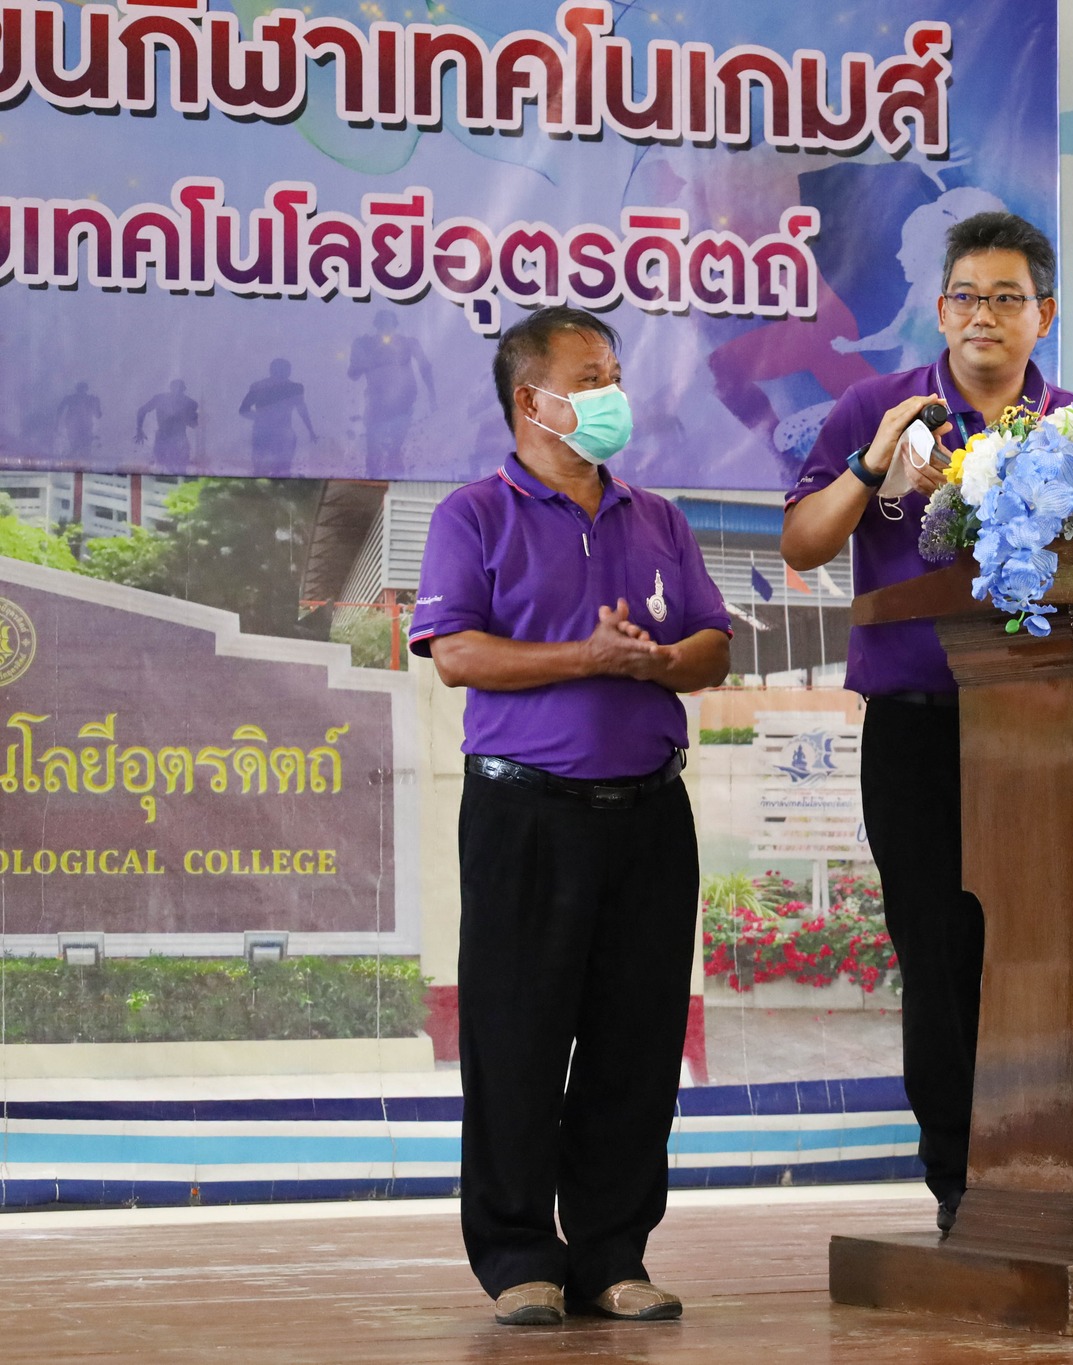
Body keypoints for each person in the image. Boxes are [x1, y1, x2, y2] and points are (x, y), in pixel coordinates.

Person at [408, 306, 732, 1326]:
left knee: (637, 1042)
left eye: (614, 375)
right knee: (516, 1037)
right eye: (589, 378)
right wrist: (586, 658)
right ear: (530, 400)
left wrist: (667, 662)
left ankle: (611, 1254)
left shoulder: (656, 517)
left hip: (647, 815)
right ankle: (517, 1258)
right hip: (524, 818)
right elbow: (456, 653)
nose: (610, 396)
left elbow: (715, 639)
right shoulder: (472, 514)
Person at [780, 211, 1073, 1237]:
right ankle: (960, 1180)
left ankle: (1050, 1163)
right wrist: (870, 468)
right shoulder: (878, 406)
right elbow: (801, 545)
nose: (982, 316)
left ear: (1043, 314)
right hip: (916, 730)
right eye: (964, 296)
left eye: (1006, 298)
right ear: (938, 309)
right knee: (941, 952)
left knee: (1043, 950)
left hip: (1048, 732)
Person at [350, 308, 436, 477]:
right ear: (376, 325)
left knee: (395, 450)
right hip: (376, 402)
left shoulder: (408, 343)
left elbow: (425, 367)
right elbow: (353, 373)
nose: (386, 327)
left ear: (395, 324)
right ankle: (373, 478)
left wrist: (432, 396)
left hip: (403, 403)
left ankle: (396, 478)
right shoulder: (364, 344)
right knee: (373, 449)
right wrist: (370, 358)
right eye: (382, 323)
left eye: (389, 323)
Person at [239, 359, 317, 475]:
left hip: (272, 432)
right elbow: (302, 410)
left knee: (269, 469)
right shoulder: (293, 388)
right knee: (276, 469)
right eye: (281, 370)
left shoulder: (260, 387)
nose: (283, 373)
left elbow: (302, 410)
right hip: (275, 432)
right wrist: (311, 431)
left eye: (284, 370)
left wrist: (261, 418)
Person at [134, 380, 199, 465]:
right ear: (171, 388)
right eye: (175, 388)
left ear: (183, 390)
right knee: (161, 466)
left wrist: (188, 417)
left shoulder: (190, 403)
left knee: (179, 467)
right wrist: (139, 429)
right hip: (164, 437)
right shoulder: (160, 399)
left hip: (179, 439)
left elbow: (194, 425)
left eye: (179, 390)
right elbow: (142, 410)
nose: (176, 392)